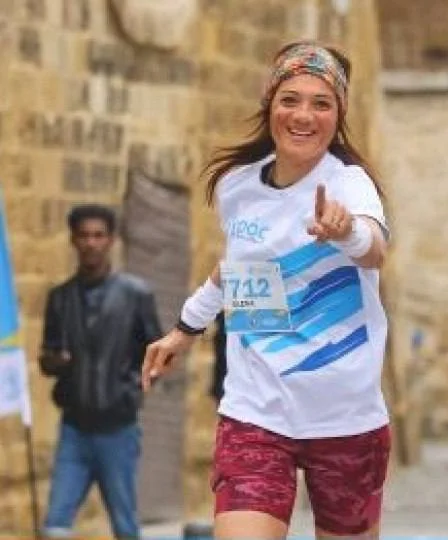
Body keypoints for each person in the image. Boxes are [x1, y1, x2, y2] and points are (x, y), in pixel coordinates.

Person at [141, 40, 391, 539]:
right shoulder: (237, 186)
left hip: (345, 417)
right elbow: (236, 269)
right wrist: (185, 328)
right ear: (269, 103)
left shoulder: (350, 184)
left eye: (321, 103)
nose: (304, 115)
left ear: (339, 114)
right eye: (290, 99)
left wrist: (346, 231)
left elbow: (375, 249)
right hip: (254, 411)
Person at [39, 204, 162, 539]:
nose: (91, 243)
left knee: (124, 525)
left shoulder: (136, 295)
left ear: (111, 240)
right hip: (74, 429)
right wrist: (56, 362)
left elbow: (157, 354)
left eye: (98, 235)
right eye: (84, 236)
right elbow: (47, 356)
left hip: (118, 430)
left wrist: (132, 389)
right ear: (73, 240)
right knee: (55, 525)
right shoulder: (60, 298)